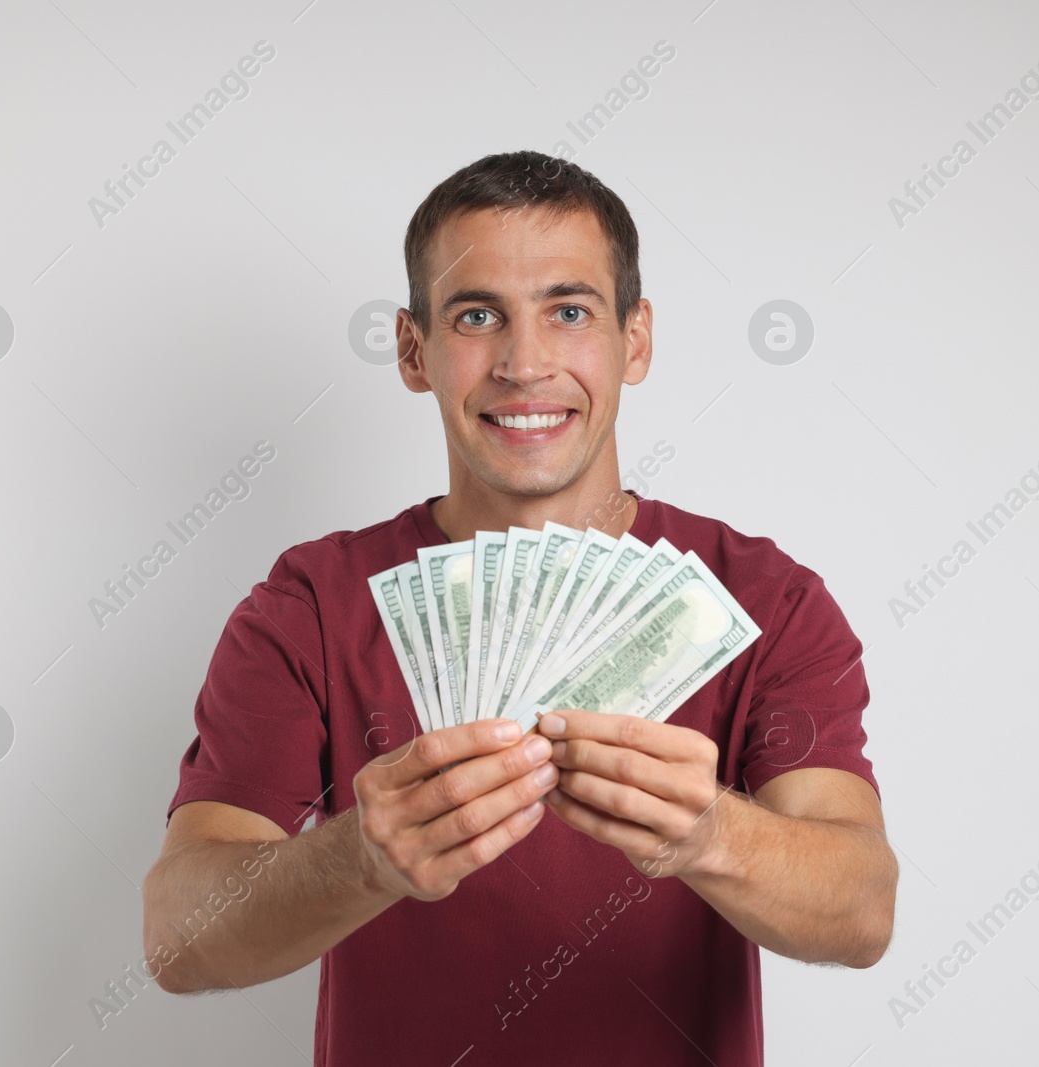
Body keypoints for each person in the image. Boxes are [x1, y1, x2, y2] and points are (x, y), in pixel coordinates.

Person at [141, 150, 897, 1065]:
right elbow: (178, 935)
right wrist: (360, 859)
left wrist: (712, 832)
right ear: (414, 351)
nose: (525, 362)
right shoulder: (310, 604)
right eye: (476, 315)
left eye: (569, 311)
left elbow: (862, 909)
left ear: (636, 339)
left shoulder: (765, 598)